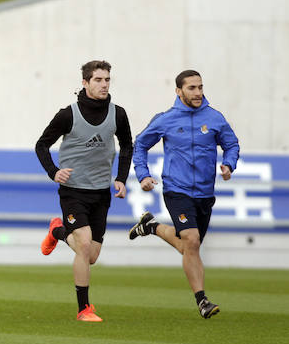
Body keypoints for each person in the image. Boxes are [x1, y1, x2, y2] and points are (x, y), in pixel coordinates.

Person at [129, 69, 239, 319]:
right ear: (179, 91)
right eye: (192, 88)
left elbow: (231, 144)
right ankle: (202, 301)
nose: (198, 92)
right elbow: (141, 145)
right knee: (191, 239)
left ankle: (151, 226)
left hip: (205, 193)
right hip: (176, 189)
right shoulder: (165, 119)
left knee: (189, 245)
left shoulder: (214, 117)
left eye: (200, 87)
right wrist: (143, 175)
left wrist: (229, 164)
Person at [35, 60, 133, 322]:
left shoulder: (118, 114)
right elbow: (41, 145)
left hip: (101, 192)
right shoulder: (68, 115)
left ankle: (57, 231)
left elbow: (127, 146)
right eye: (98, 80)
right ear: (85, 82)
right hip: (73, 191)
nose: (104, 84)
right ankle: (84, 309)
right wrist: (53, 171)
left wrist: (121, 178)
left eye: (107, 79)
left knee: (90, 256)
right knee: (84, 243)